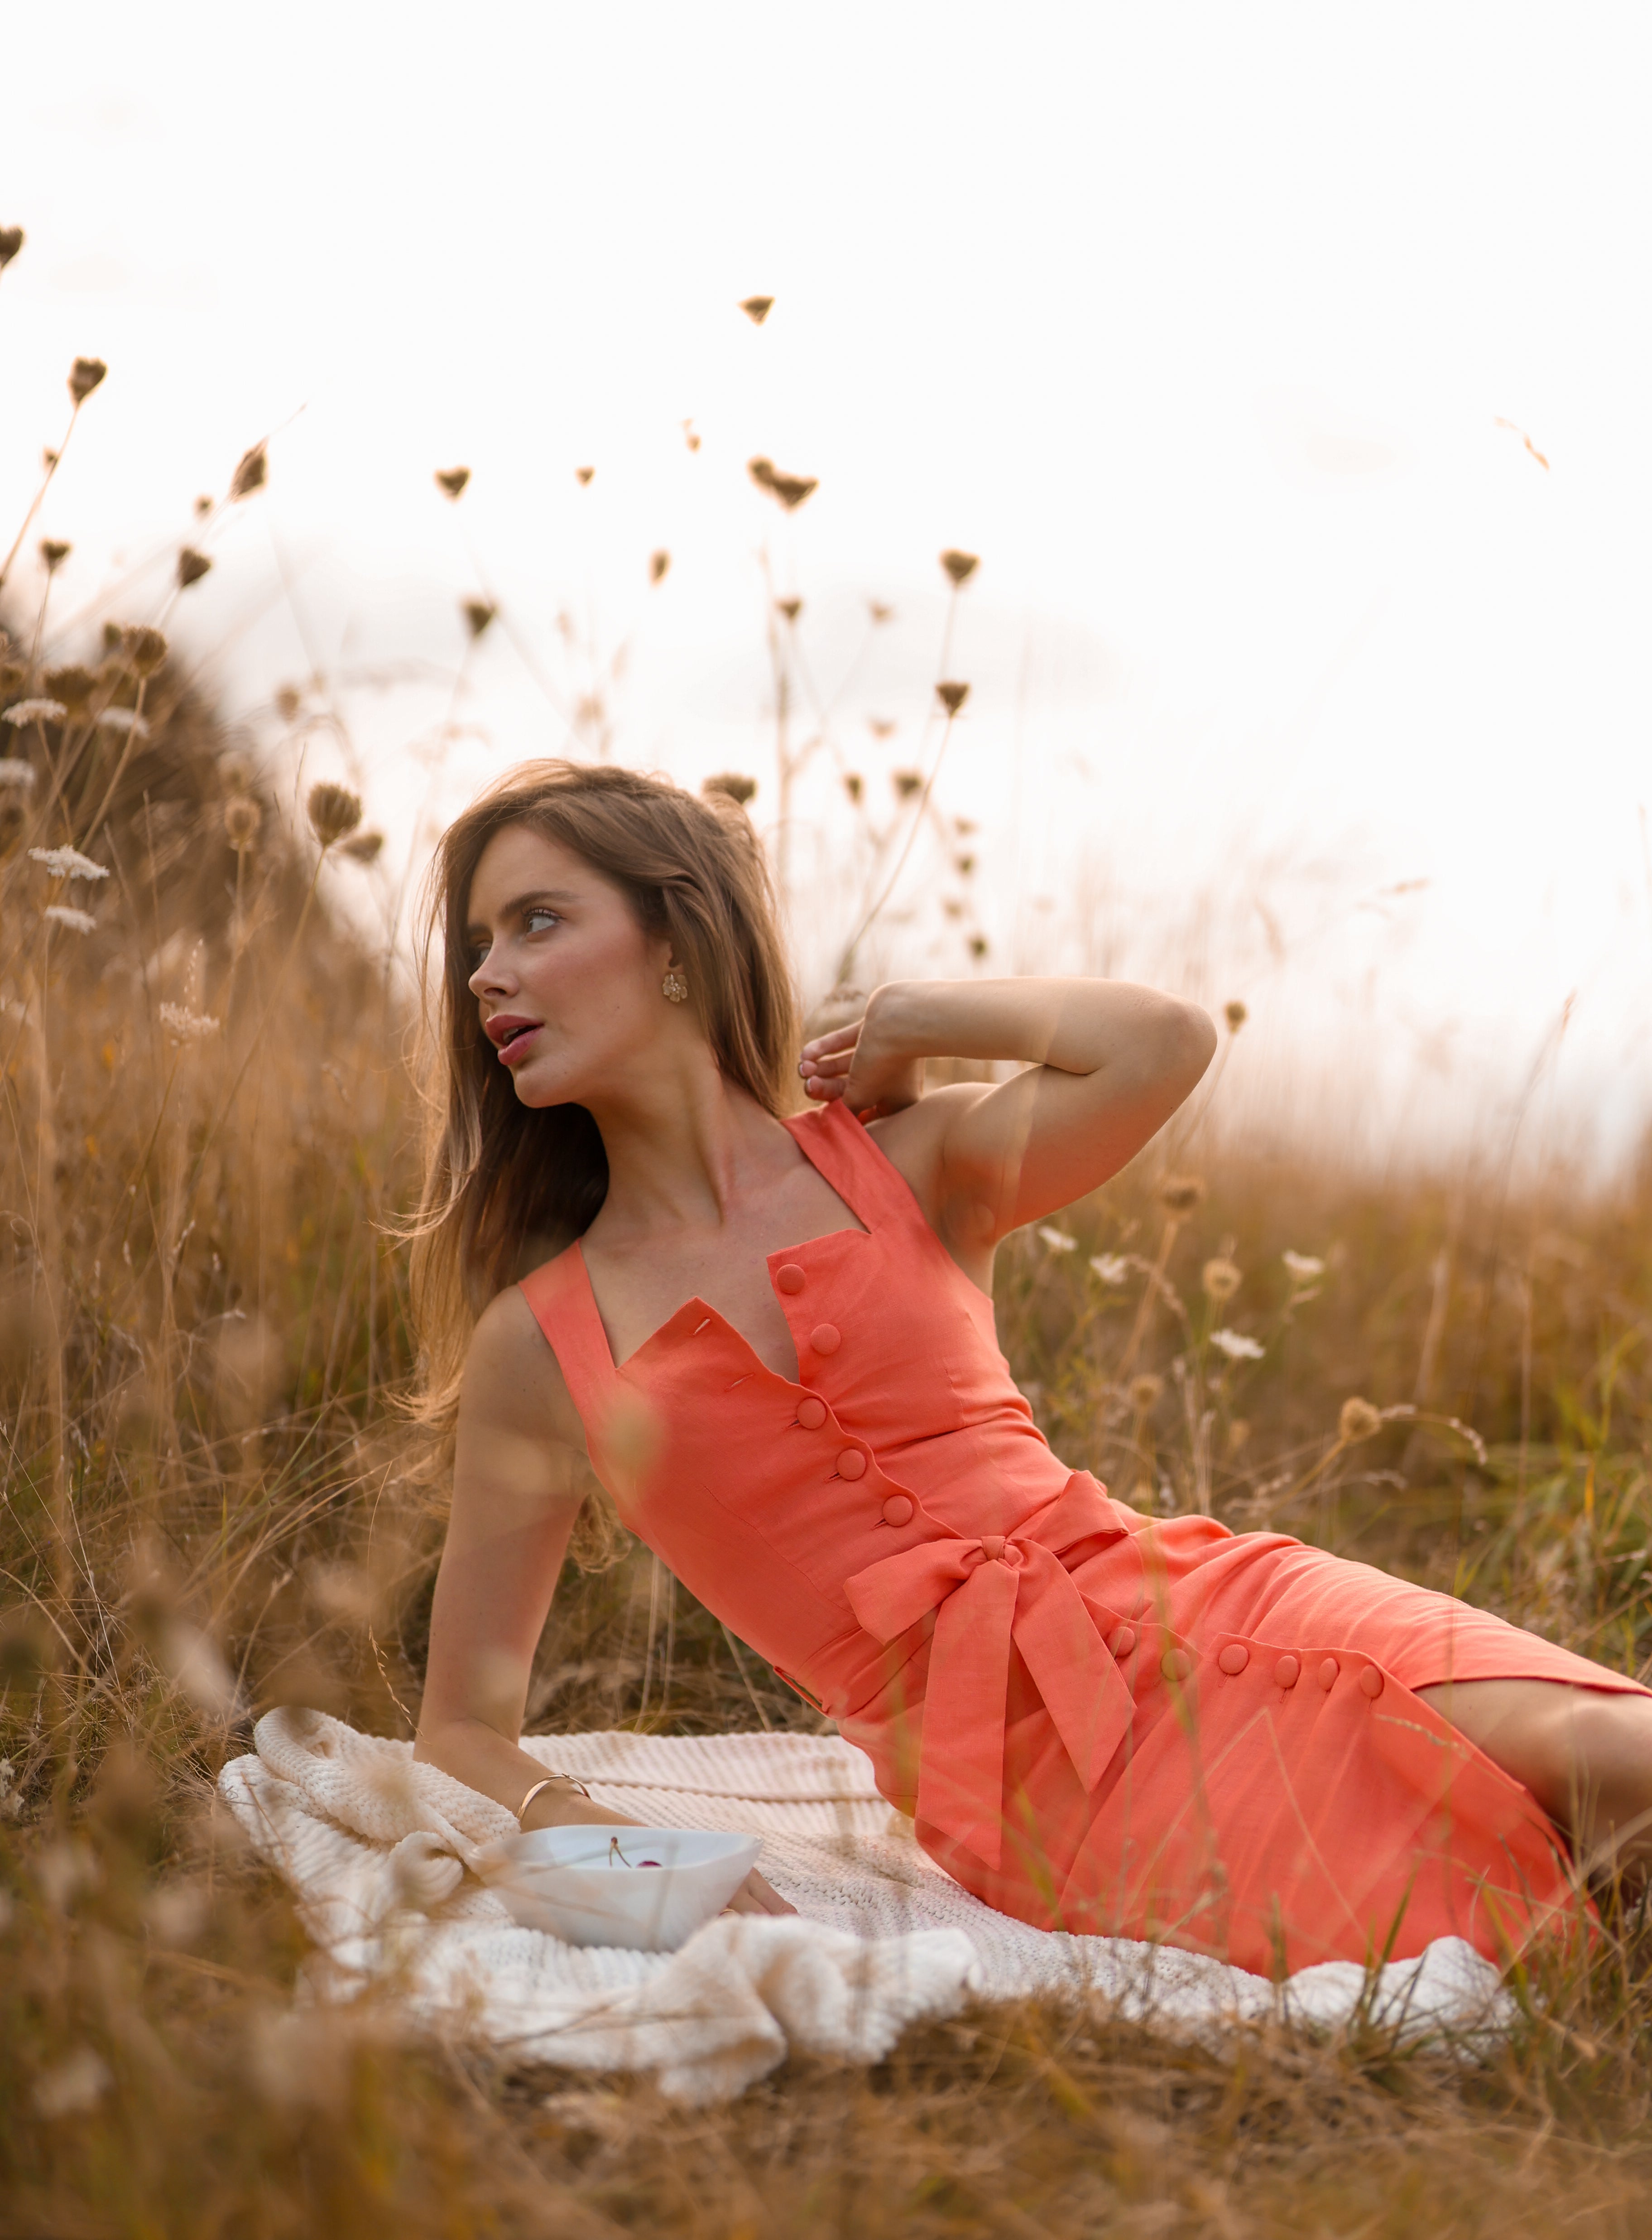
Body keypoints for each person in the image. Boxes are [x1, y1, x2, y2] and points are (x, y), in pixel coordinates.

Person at [411, 760, 1652, 1973]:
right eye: (478, 943)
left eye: (537, 921)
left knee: (1610, 1753)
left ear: (675, 937)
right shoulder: (540, 1341)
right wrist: (628, 1860)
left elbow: (1162, 1044)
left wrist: (923, 1017)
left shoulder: (907, 1162)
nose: (488, 975)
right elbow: (461, 1731)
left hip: (1201, 1592)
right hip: (1049, 1786)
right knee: (1513, 1910)